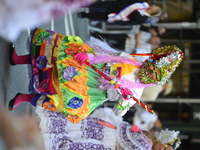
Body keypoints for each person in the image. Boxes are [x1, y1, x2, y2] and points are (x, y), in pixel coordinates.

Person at [8, 28, 184, 124]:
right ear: (150, 64)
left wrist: (124, 100)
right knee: (60, 56)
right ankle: (18, 59)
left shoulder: (136, 95)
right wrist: (89, 57)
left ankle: (24, 98)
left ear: (155, 82)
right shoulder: (131, 60)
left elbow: (118, 113)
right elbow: (108, 56)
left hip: (93, 90)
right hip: (91, 68)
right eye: (152, 70)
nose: (149, 75)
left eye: (153, 77)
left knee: (64, 101)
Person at [36, 106, 181, 150]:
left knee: (75, 138)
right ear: (163, 143)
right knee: (73, 129)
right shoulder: (147, 141)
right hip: (108, 134)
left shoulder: (146, 144)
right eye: (164, 149)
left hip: (107, 142)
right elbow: (130, 130)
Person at [78, 1, 162, 25]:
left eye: (155, 7)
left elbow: (130, 23)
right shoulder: (144, 4)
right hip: (119, 5)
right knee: (101, 4)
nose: (154, 5)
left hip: (118, 16)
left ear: (154, 11)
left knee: (101, 16)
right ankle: (82, 4)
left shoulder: (143, 19)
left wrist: (118, 22)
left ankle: (85, 15)